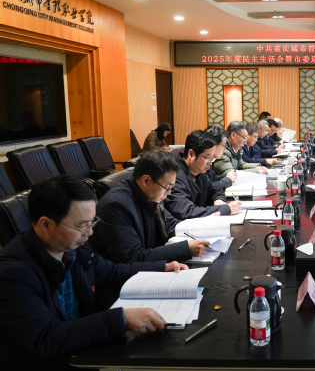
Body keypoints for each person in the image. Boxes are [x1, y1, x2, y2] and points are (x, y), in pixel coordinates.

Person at [0, 176, 187, 370]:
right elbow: (45, 338)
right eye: (81, 226)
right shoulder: (12, 273)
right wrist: (120, 319)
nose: (89, 233)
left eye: (91, 223)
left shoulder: (73, 246)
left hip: (86, 349)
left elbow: (111, 272)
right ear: (45, 224)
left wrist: (162, 267)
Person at [91, 150, 211, 264]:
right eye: (167, 187)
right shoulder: (115, 206)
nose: (168, 193)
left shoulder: (151, 192)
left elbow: (170, 224)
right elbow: (133, 257)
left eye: (171, 188)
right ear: (146, 181)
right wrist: (185, 249)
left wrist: (206, 227)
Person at [165, 129, 242, 219]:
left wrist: (218, 200)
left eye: (212, 158)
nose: (210, 163)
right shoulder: (174, 175)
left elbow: (215, 190)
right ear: (191, 154)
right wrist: (224, 209)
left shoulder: (198, 170)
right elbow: (186, 211)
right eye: (208, 158)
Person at [205, 125, 237, 190]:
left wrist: (226, 175)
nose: (224, 150)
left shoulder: (211, 158)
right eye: (224, 146)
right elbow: (209, 188)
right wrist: (228, 179)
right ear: (214, 144)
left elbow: (212, 179)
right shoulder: (203, 160)